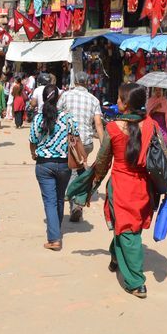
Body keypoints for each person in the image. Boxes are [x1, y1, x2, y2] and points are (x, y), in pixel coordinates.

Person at [93, 83, 166, 298]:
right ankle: (116, 257)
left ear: (125, 105)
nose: (116, 102)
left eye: (118, 99)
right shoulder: (151, 125)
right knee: (129, 228)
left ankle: (136, 282)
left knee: (128, 232)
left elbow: (102, 159)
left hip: (121, 186)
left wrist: (93, 181)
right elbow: (162, 156)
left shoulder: (113, 128)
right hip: (143, 187)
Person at [29, 85, 78, 251]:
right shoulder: (67, 117)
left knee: (50, 201)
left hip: (44, 164)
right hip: (65, 164)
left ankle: (54, 238)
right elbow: (75, 137)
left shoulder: (38, 118)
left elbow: (33, 139)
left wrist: (33, 153)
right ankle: (56, 229)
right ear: (58, 98)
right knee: (58, 198)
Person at [58, 71, 105, 222]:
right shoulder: (94, 100)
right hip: (86, 142)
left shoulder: (66, 95)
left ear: (75, 81)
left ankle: (75, 203)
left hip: (69, 140)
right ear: (87, 83)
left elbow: (58, 114)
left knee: (72, 170)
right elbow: (98, 123)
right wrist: (104, 144)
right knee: (78, 170)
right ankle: (77, 200)